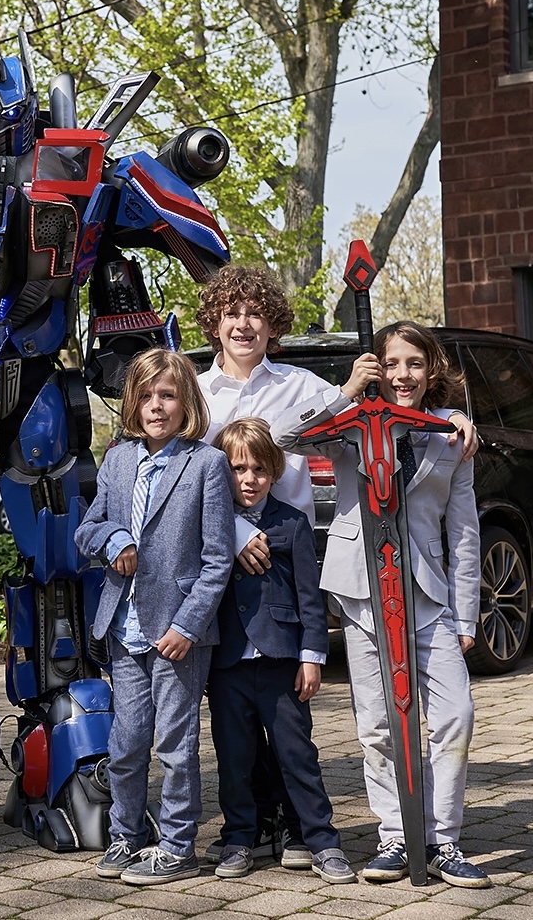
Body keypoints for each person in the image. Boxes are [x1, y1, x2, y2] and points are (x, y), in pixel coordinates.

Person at [193, 264, 476, 868]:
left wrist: (448, 418)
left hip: (313, 565)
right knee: (249, 709)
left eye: (256, 313)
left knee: (432, 714)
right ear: (214, 324)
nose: (244, 324)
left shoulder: (301, 381)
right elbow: (274, 447)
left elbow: (464, 528)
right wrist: (348, 393)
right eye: (231, 313)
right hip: (261, 565)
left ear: (273, 325)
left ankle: (417, 838)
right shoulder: (196, 391)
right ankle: (271, 829)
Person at [272, 320, 491, 889]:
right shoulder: (347, 422)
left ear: (431, 371)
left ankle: (444, 841)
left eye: (414, 364)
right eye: (391, 364)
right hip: (362, 588)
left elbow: (463, 531)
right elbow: (283, 439)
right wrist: (345, 390)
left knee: (453, 716)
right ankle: (395, 835)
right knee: (375, 726)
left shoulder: (450, 435)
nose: (402, 375)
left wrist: (466, 614)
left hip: (426, 593)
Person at [74, 348, 235, 887]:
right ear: (132, 404)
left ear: (186, 401)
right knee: (126, 742)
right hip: (124, 628)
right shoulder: (118, 459)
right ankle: (126, 835)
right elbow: (88, 528)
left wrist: (188, 625)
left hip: (177, 633)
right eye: (146, 396)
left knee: (175, 743)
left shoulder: (206, 464)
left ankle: (177, 845)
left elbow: (217, 559)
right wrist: (114, 537)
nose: (156, 406)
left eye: (167, 396)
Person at [207, 418, 354, 885]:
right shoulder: (212, 525)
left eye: (258, 470)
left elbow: (310, 598)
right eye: (236, 469)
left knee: (296, 754)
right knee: (234, 757)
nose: (248, 480)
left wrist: (312, 656)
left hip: (283, 663)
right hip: (227, 663)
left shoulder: (292, 522)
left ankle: (319, 839)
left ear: (273, 471)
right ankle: (240, 836)